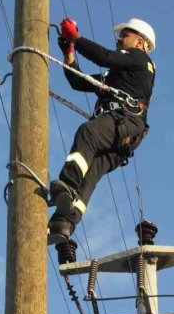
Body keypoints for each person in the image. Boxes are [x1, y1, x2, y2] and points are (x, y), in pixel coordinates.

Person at [47, 17, 157, 244]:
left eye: (125, 35)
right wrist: (69, 54)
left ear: (141, 42)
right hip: (125, 134)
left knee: (88, 133)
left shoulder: (139, 59)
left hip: (125, 120)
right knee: (91, 173)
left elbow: (104, 57)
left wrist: (75, 38)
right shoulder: (119, 74)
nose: (120, 38)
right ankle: (65, 221)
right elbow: (80, 82)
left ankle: (67, 185)